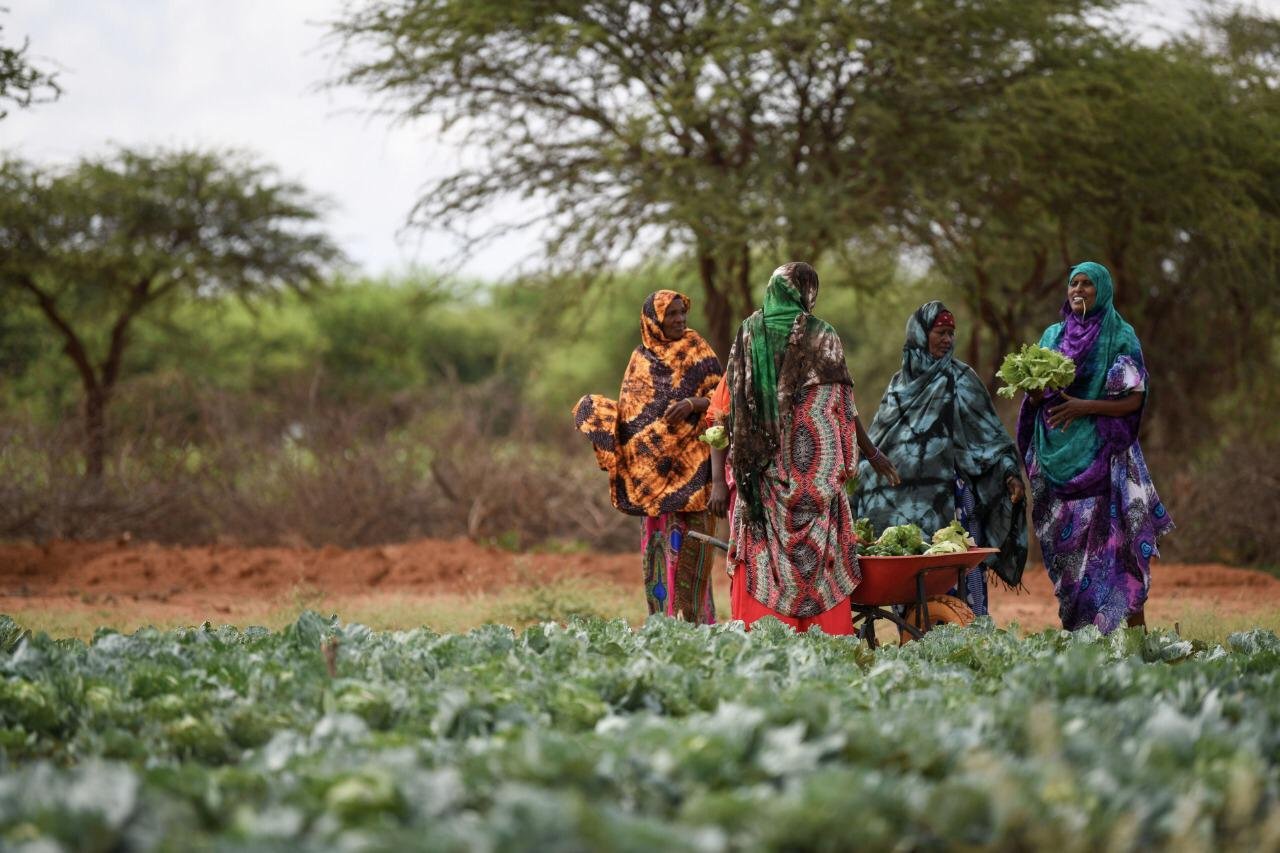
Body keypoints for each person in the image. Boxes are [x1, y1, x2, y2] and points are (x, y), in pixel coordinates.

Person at [722, 262, 898, 634]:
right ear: (807, 293)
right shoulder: (823, 336)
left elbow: (734, 405)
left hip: (763, 471)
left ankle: (766, 634)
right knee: (820, 555)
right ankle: (825, 634)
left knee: (763, 553)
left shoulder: (749, 333)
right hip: (816, 472)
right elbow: (842, 407)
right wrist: (870, 453)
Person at [1017, 261, 1174, 633]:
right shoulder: (1052, 336)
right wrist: (1036, 394)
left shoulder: (1120, 335)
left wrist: (1083, 407)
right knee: (1069, 562)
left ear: (1101, 290)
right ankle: (1083, 643)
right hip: (1055, 460)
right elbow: (1037, 397)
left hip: (1104, 461)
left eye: (1088, 284)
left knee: (1117, 556)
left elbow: (1133, 401)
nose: (1079, 290)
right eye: (1074, 283)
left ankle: (1136, 644)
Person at [853, 302, 1028, 615]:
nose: (947, 339)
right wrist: (857, 480)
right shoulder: (899, 384)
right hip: (903, 508)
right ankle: (913, 632)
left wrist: (1009, 474)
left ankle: (965, 629)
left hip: (953, 502)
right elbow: (881, 440)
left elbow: (988, 436)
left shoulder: (961, 378)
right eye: (940, 332)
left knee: (955, 574)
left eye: (951, 333)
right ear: (920, 334)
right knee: (908, 574)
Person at [573, 289, 723, 623]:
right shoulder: (639, 360)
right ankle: (663, 629)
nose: (680, 319)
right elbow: (633, 418)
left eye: (682, 312)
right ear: (653, 321)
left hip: (696, 477)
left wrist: (692, 404)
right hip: (653, 484)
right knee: (659, 558)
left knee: (694, 559)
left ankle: (702, 631)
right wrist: (600, 420)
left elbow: (723, 401)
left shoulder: (697, 349)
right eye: (671, 314)